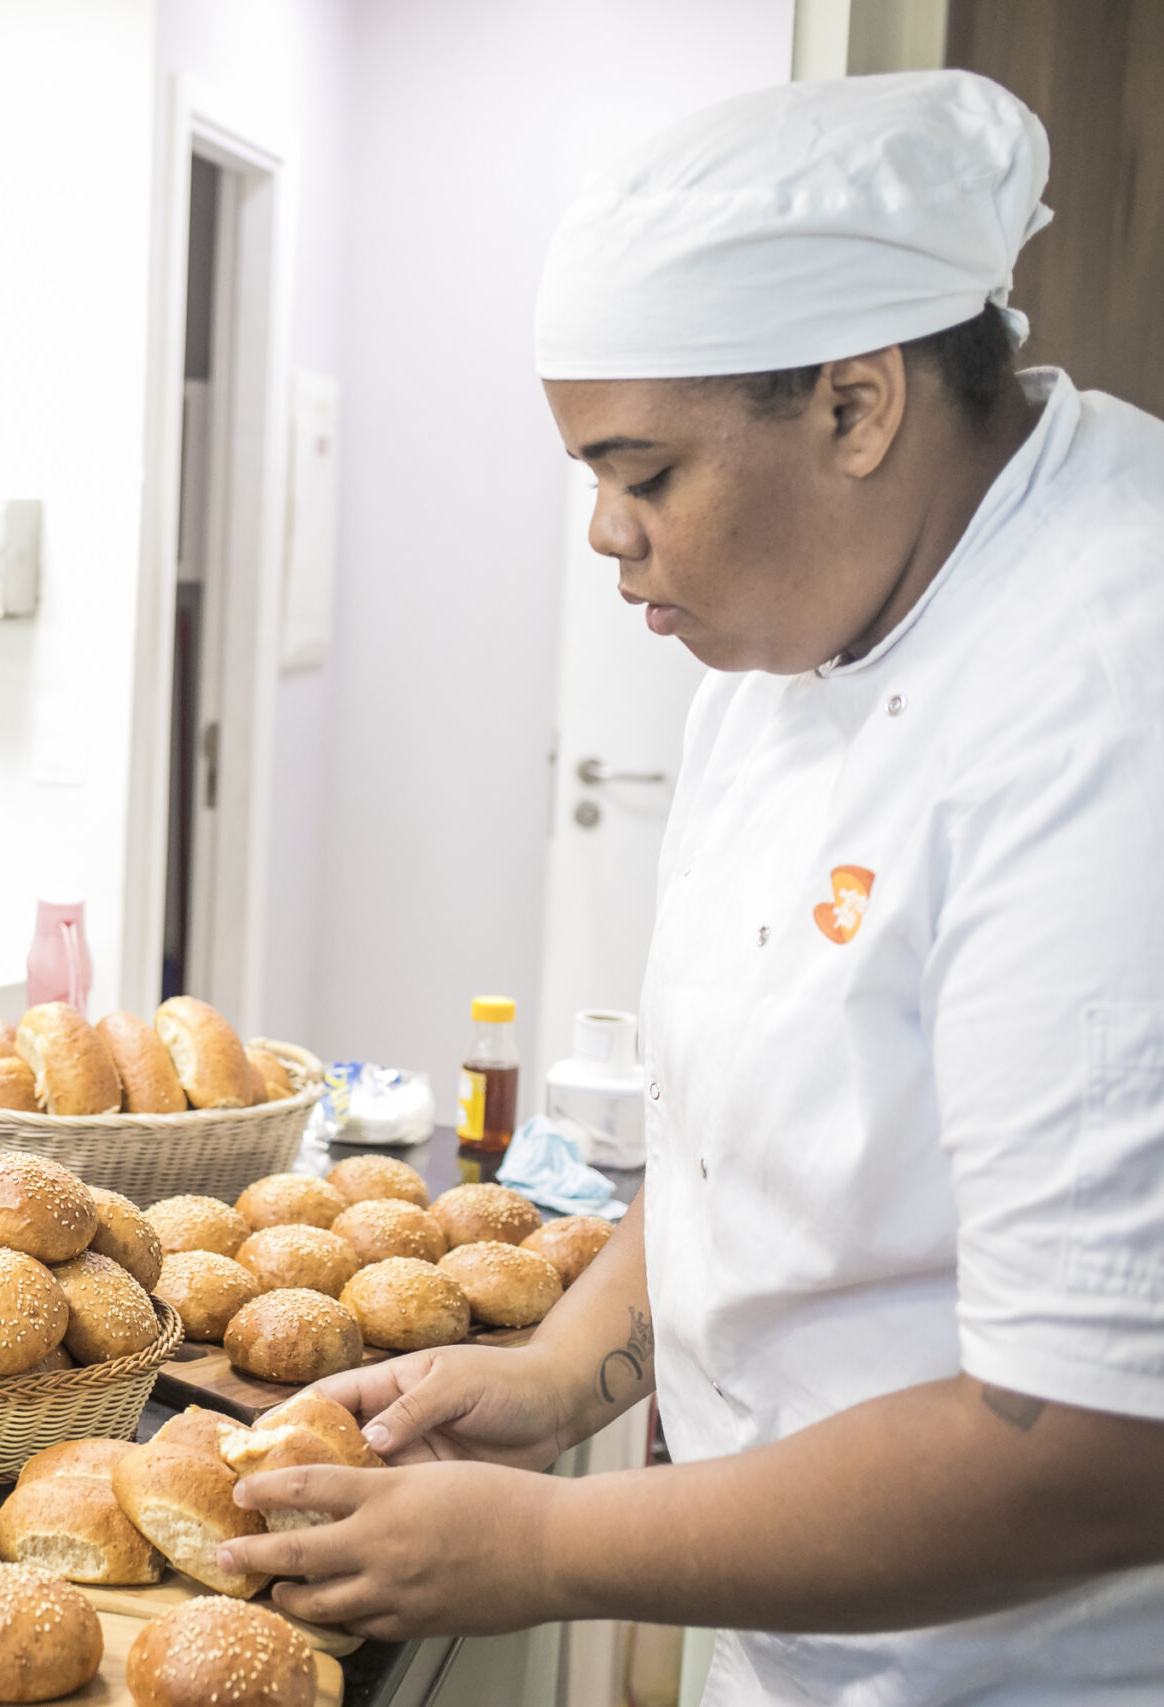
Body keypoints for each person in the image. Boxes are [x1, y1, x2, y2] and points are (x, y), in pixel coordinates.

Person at [218, 72, 1164, 1703]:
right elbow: (749, 1142)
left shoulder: (1105, 695)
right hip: (796, 1638)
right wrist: (556, 1374)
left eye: (645, 472)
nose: (607, 534)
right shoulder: (802, 618)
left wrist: (548, 1550)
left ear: (859, 406)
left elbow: (1093, 1439)